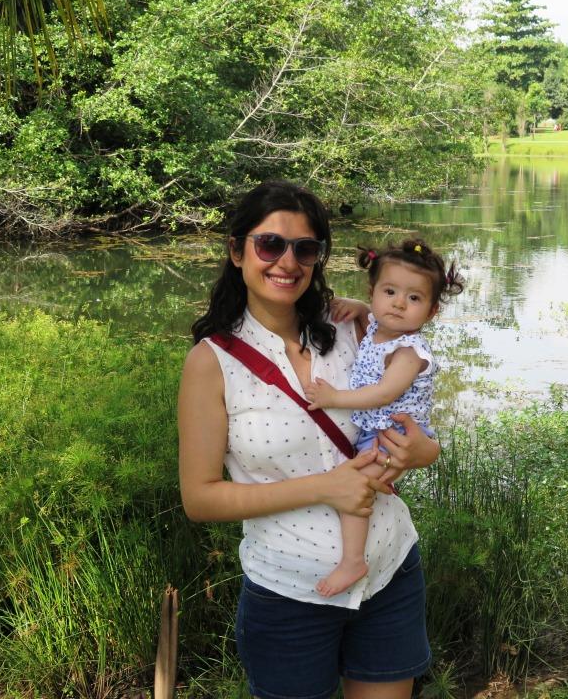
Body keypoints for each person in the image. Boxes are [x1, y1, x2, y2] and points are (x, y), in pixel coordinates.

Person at [178, 180, 440, 699]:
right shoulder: (211, 362)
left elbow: (410, 418)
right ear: (237, 250)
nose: (287, 262)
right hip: (289, 592)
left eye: (304, 248)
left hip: (390, 570)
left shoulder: (351, 328)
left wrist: (424, 451)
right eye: (270, 244)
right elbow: (200, 499)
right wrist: (325, 487)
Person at [304, 239, 464, 597]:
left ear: (432, 312)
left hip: (393, 435)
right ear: (373, 292)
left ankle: (353, 561)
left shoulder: (408, 351)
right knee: (358, 482)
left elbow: (384, 393)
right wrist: (361, 309)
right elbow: (373, 317)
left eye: (414, 298)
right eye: (389, 292)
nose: (399, 303)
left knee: (356, 488)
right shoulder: (379, 327)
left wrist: (334, 398)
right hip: (376, 431)